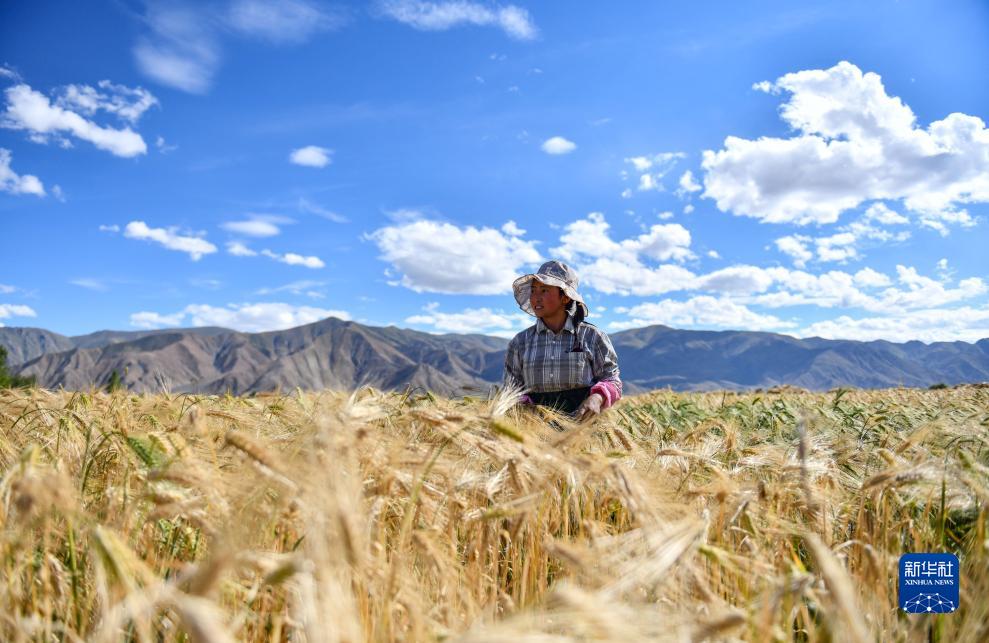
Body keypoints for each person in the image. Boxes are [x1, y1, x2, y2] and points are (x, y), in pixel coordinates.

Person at [503, 260, 622, 421]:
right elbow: (512, 389)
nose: (536, 297)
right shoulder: (520, 343)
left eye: (544, 290)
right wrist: (524, 408)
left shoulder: (592, 337)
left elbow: (611, 379)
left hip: (582, 427)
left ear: (565, 297)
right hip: (535, 431)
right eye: (533, 290)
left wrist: (597, 398)